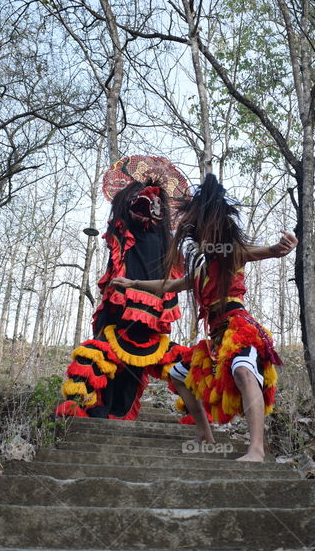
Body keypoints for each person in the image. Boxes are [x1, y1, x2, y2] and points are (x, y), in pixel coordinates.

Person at [111, 173, 297, 461]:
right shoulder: (198, 268)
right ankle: (205, 435)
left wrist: (278, 249)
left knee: (244, 371)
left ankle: (257, 449)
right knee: (179, 374)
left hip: (238, 326)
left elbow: (264, 252)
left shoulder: (231, 252)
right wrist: (133, 283)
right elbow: (169, 285)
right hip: (215, 337)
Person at [54, 177, 193, 420]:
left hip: (153, 309)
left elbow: (178, 270)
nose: (152, 207)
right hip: (121, 307)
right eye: (146, 202)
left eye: (158, 203)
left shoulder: (166, 241)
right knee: (102, 356)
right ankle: (84, 408)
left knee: (138, 369)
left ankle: (197, 416)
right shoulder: (123, 230)